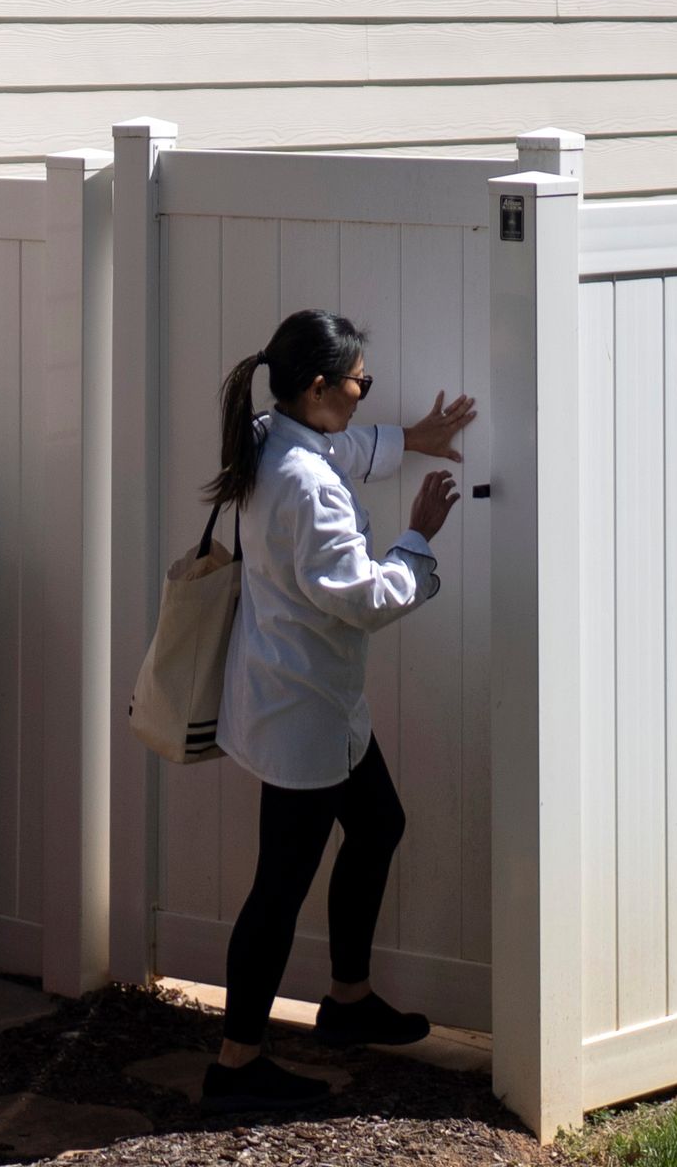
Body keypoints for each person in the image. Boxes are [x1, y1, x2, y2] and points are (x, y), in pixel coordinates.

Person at [197, 308, 477, 1111]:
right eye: (360, 384)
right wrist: (419, 537)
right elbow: (362, 598)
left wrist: (407, 437)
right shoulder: (304, 486)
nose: (364, 397)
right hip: (304, 718)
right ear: (317, 387)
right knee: (277, 890)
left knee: (379, 825)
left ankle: (348, 1004)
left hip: (313, 703)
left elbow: (337, 447)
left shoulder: (272, 434)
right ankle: (236, 1066)